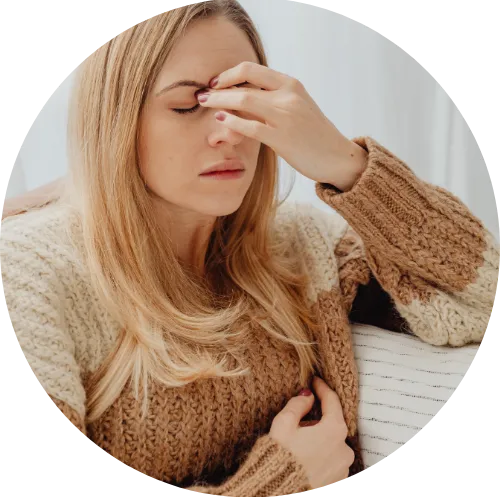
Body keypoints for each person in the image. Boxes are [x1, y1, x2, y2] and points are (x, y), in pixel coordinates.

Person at [1, 2, 498, 496]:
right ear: (114, 120)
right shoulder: (27, 274)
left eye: (246, 101)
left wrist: (345, 164)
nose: (230, 132)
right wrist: (277, 482)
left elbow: (479, 299)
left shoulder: (301, 246)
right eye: (187, 105)